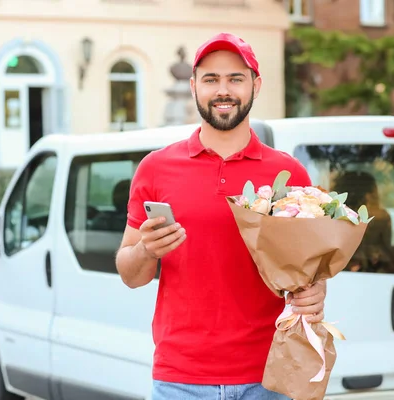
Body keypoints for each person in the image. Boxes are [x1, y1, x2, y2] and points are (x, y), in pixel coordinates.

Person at [115, 32, 328, 400]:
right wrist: (145, 251)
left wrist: (317, 290)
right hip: (180, 379)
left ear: (256, 85)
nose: (223, 90)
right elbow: (130, 274)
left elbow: (307, 271)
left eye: (235, 79)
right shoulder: (155, 168)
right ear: (194, 86)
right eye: (211, 79)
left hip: (269, 375)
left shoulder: (289, 174)